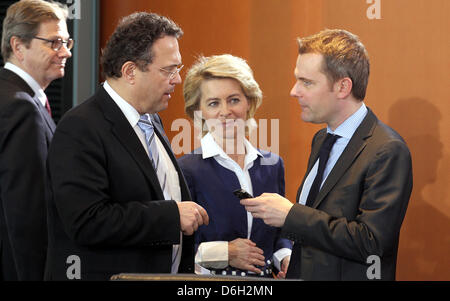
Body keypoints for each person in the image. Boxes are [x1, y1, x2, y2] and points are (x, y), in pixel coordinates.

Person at [45, 12, 208, 280]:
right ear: (130, 71)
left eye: (177, 69)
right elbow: (87, 221)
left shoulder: (152, 119)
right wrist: (171, 216)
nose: (177, 79)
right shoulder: (80, 127)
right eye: (169, 70)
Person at [241, 29, 413, 280]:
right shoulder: (322, 139)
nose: (294, 91)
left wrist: (290, 215)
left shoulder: (387, 150)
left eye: (307, 82)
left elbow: (371, 242)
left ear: (343, 86)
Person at [178, 54, 292, 278]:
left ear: (248, 101)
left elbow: (281, 232)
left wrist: (285, 257)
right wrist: (225, 252)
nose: (225, 111)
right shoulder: (185, 169)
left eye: (234, 100)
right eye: (213, 103)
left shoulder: (273, 165)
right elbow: (178, 249)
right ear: (198, 112)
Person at [0, 0, 72, 280]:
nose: (64, 52)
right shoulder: (21, 107)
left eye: (67, 42)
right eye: (53, 43)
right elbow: (26, 214)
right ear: (18, 46)